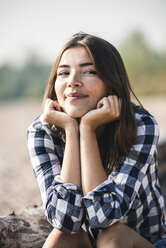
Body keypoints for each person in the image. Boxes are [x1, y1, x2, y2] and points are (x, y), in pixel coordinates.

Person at [27, 32, 166, 248]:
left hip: (144, 241)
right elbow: (64, 221)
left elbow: (105, 217)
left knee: (113, 236)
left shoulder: (140, 125)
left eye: (89, 71)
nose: (73, 81)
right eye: (64, 73)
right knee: (62, 237)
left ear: (111, 83)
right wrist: (73, 132)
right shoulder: (41, 131)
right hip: (87, 241)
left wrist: (88, 129)